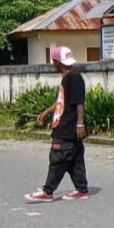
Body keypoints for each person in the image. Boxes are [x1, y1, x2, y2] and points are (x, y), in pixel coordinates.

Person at [25, 47, 90, 202]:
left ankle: (47, 192)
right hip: (68, 126)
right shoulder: (68, 77)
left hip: (67, 127)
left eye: (53, 63)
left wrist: (80, 124)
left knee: (58, 157)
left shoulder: (73, 77)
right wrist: (47, 111)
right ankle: (82, 190)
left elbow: (79, 102)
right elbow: (62, 101)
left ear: (56, 62)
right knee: (74, 159)